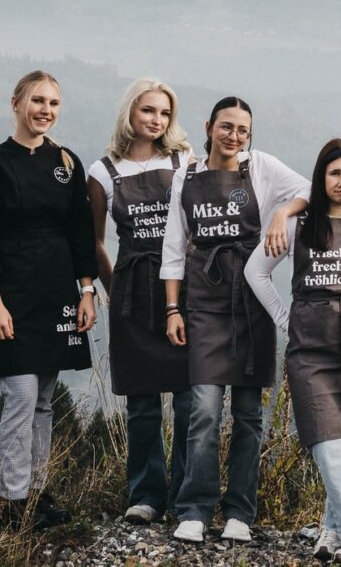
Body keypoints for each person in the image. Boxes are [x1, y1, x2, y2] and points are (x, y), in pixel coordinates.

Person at [163, 96, 308, 544]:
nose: (234, 136)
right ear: (209, 126)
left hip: (251, 303)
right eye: (226, 127)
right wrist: (173, 309)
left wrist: (282, 212)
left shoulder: (261, 166)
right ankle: (195, 509)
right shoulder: (186, 176)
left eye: (243, 130)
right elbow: (173, 247)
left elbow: (312, 189)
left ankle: (240, 512)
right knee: (204, 412)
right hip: (203, 304)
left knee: (248, 415)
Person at [0, 69, 100, 529]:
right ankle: (11, 499)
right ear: (16, 103)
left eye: (53, 103)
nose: (45, 110)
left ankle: (36, 494)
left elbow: (81, 233)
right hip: (11, 294)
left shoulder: (67, 163)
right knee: (21, 396)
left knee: (44, 399)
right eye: (37, 100)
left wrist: (87, 291)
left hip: (57, 291)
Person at [256, 139, 341, 563]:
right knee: (324, 435)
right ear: (321, 177)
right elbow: (255, 272)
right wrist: (286, 321)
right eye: (335, 173)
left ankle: (336, 530)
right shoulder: (297, 225)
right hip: (310, 346)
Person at [90, 77, 193, 524]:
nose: (156, 120)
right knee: (142, 400)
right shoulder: (103, 171)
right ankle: (146, 495)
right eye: (148, 110)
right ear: (130, 111)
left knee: (190, 398)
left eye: (165, 113)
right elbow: (95, 242)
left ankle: (188, 495)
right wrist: (115, 289)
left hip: (182, 289)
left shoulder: (183, 160)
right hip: (132, 288)